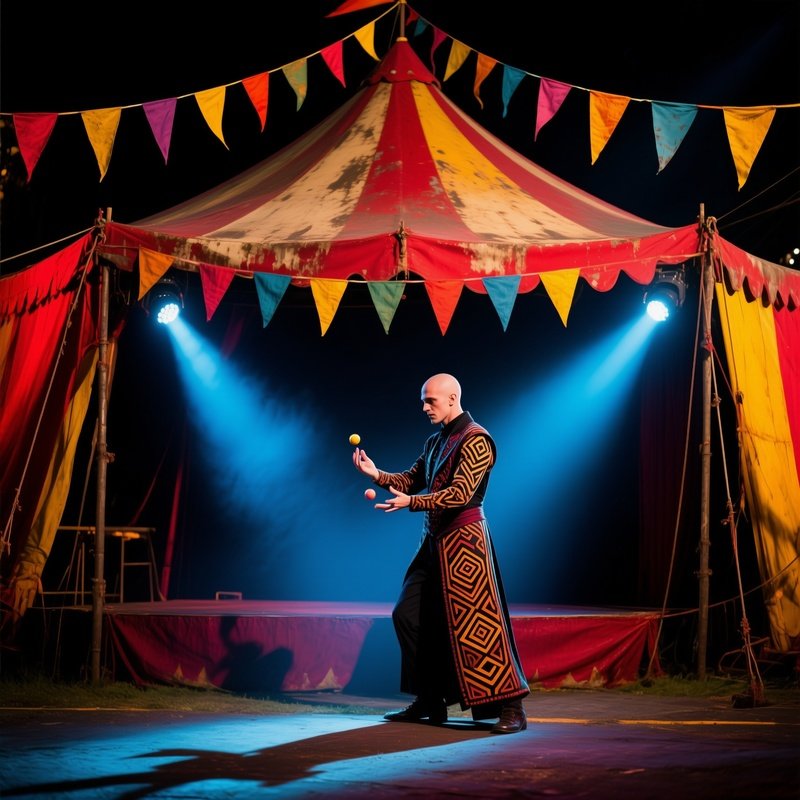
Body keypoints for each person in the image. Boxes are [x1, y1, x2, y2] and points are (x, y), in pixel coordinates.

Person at [352, 373, 530, 734]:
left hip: (466, 543)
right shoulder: (436, 441)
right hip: (434, 543)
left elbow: (461, 493)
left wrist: (413, 503)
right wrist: (377, 474)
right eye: (424, 400)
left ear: (452, 399)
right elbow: (412, 479)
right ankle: (431, 699)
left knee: (480, 626)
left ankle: (512, 707)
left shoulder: (478, 440)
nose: (424, 407)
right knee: (407, 614)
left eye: (430, 400)